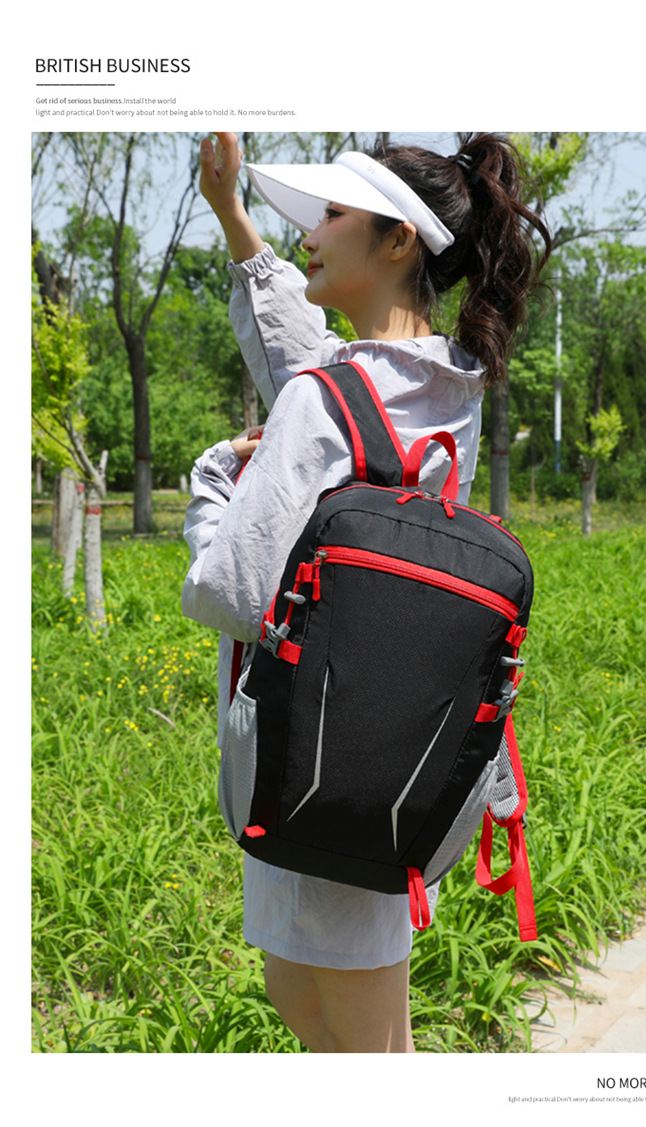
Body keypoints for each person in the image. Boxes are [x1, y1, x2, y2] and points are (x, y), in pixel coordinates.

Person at [182, 131, 551, 1053]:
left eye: (333, 215)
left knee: (366, 1043)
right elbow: (319, 375)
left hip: (304, 742)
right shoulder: (446, 387)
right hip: (392, 745)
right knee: (311, 996)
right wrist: (233, 216)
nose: (309, 234)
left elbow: (230, 589)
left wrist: (215, 480)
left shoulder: (328, 397)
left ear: (396, 241)